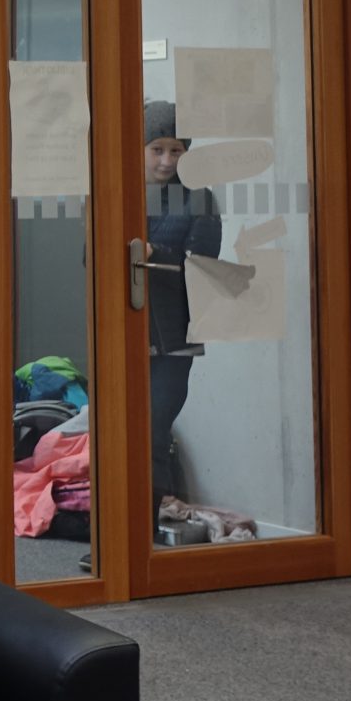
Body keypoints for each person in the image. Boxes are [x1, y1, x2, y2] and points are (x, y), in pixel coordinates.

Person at [143, 100, 221, 510]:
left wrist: (153, 254)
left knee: (154, 428)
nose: (166, 160)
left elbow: (204, 268)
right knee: (123, 429)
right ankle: (140, 519)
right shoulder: (117, 193)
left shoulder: (199, 198)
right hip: (124, 330)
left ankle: (152, 520)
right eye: (157, 149)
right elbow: (91, 258)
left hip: (176, 337)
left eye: (176, 150)